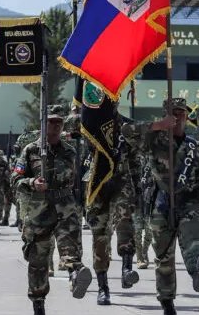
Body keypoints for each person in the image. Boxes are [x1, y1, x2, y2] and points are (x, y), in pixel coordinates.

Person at [121, 98, 199, 314]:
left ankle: (197, 271)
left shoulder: (195, 147)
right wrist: (156, 126)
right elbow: (126, 132)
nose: (179, 116)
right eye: (174, 112)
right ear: (166, 114)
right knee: (163, 257)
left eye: (182, 112)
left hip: (189, 202)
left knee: (192, 239)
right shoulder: (153, 140)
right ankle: (166, 301)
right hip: (161, 203)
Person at [14, 105, 93, 314]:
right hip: (38, 210)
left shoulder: (70, 150)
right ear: (43, 122)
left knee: (71, 246)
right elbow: (16, 179)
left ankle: (75, 274)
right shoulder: (31, 150)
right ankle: (38, 304)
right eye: (51, 121)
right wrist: (32, 182)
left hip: (65, 206)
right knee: (38, 261)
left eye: (59, 121)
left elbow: (76, 181)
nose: (56, 125)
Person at [85, 115, 141, 305]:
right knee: (100, 237)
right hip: (98, 185)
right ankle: (103, 288)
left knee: (125, 220)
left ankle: (127, 268)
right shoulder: (90, 122)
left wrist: (138, 189)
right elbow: (72, 125)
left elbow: (135, 160)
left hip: (121, 183)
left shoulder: (127, 127)